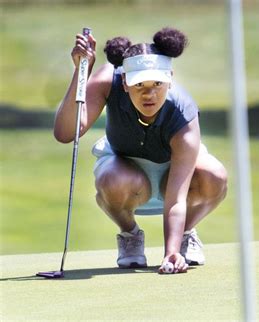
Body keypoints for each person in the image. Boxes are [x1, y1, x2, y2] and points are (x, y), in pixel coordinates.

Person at [54, 27, 227, 274]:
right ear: (124, 82)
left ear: (170, 78)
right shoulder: (108, 80)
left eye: (157, 83)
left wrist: (171, 253)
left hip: (175, 176)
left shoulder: (184, 113)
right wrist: (81, 73)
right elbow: (65, 133)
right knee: (112, 179)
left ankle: (185, 235)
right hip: (125, 171)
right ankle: (130, 234)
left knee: (214, 175)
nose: (149, 94)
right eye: (139, 85)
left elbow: (177, 198)